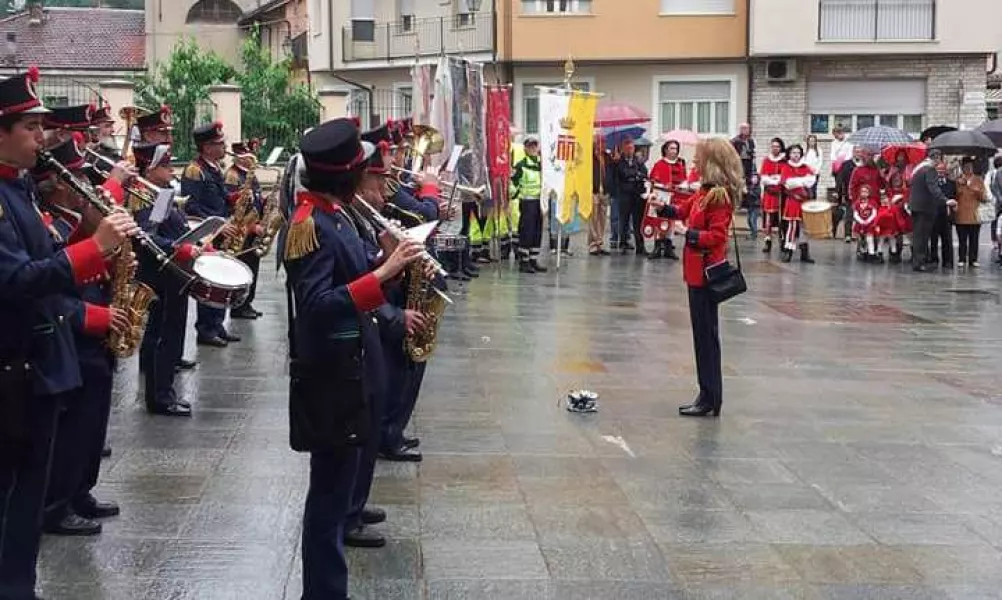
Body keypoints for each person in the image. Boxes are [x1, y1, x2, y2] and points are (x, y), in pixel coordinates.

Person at [0, 67, 137, 600]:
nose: (43, 136)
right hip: (16, 370)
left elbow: (44, 260)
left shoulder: (19, 189)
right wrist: (92, 248)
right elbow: (14, 281)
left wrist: (88, 233)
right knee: (14, 502)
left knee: (26, 504)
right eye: (31, 126)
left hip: (39, 367)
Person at [281, 118, 423, 600]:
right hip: (331, 376)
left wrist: (384, 262)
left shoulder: (335, 214)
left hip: (355, 367)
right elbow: (317, 306)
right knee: (327, 502)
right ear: (342, 175)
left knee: (340, 492)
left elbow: (352, 277)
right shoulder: (307, 225)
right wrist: (381, 271)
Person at [33, 136, 125, 537]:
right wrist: (88, 316)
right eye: (77, 182)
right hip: (73, 330)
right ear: (55, 185)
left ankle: (80, 491)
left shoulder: (68, 216)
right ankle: (57, 503)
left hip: (94, 332)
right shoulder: (48, 220)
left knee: (93, 422)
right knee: (74, 428)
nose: (85, 190)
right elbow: (41, 288)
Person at [658, 137, 742, 418]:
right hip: (695, 274)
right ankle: (706, 394)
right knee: (701, 337)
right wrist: (662, 208)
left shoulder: (718, 196)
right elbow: (682, 210)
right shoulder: (704, 192)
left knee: (707, 338)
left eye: (699, 158)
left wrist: (688, 234)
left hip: (707, 274)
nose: (694, 162)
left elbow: (717, 236)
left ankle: (711, 396)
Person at [135, 142, 201, 417]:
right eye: (163, 165)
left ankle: (163, 392)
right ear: (149, 169)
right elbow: (146, 236)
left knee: (167, 333)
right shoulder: (143, 195)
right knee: (163, 334)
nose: (170, 169)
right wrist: (178, 249)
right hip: (160, 274)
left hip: (170, 273)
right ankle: (160, 396)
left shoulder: (160, 192)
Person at [181, 121, 241, 347]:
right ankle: (205, 329)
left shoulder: (214, 168)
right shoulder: (195, 170)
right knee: (210, 280)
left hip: (222, 229)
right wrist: (218, 225)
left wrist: (235, 200)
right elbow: (192, 206)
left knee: (223, 279)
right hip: (207, 234)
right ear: (206, 147)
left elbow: (220, 195)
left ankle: (217, 324)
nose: (224, 146)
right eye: (219, 143)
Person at [224, 141, 265, 320]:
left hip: (254, 227)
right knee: (243, 266)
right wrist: (250, 226)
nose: (251, 159)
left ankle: (247, 302)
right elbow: (233, 208)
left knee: (252, 266)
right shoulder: (232, 176)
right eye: (248, 155)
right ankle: (239, 306)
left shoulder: (250, 175)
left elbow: (255, 198)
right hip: (243, 229)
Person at [909, 149, 955, 272]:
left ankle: (917, 262)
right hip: (925, 208)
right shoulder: (929, 169)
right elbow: (933, 188)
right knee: (922, 237)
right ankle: (919, 263)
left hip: (916, 206)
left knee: (918, 236)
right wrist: (946, 200)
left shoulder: (919, 169)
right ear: (937, 158)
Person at [511, 136, 547, 273]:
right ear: (525, 148)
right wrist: (513, 194)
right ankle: (524, 261)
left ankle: (533, 259)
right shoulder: (520, 165)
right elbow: (513, 184)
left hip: (540, 202)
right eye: (530, 146)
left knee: (537, 231)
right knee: (527, 231)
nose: (532, 148)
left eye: (534, 146)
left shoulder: (542, 165)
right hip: (527, 202)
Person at [647, 140, 686, 260]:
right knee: (659, 221)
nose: (674, 151)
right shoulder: (659, 164)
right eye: (671, 148)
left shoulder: (680, 165)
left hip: (674, 197)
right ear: (665, 150)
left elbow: (683, 180)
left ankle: (669, 247)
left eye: (675, 149)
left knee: (671, 222)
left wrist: (679, 186)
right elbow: (653, 179)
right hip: (661, 196)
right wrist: (662, 185)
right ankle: (657, 246)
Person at [779, 144, 816, 263]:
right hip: (793, 200)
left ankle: (805, 253)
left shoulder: (805, 167)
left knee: (805, 227)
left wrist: (797, 181)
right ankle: (788, 250)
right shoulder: (786, 167)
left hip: (804, 201)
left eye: (798, 153)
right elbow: (787, 183)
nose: (796, 155)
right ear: (789, 154)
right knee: (792, 226)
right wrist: (802, 181)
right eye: (793, 153)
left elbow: (811, 181)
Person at [613, 137, 648, 255]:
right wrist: (635, 174)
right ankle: (623, 242)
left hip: (637, 195)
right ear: (623, 149)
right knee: (624, 219)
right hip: (624, 194)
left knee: (638, 222)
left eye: (631, 148)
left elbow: (644, 173)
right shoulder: (619, 161)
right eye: (627, 148)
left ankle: (640, 246)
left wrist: (635, 175)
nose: (629, 150)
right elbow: (623, 173)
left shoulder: (638, 160)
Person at [954, 157, 986, 269]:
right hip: (961, 213)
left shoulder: (978, 179)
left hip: (974, 214)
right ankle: (961, 258)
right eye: (966, 167)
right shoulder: (958, 180)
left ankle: (973, 259)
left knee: (974, 238)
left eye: (970, 167)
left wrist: (974, 189)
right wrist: (960, 187)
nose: (968, 169)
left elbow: (984, 197)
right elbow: (955, 196)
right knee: (962, 239)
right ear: (962, 168)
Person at [759, 137, 786, 253]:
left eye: (777, 146)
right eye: (773, 146)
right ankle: (768, 240)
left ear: (781, 148)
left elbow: (785, 176)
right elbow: (764, 177)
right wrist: (773, 180)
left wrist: (776, 179)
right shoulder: (766, 160)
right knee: (768, 218)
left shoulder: (784, 160)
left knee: (781, 218)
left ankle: (782, 240)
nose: (775, 148)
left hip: (781, 193)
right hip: (769, 193)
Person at [930, 161, 957, 269]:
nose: (940, 172)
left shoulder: (951, 183)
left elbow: (954, 197)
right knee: (933, 239)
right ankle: (934, 259)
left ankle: (948, 261)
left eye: (942, 169)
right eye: (938, 170)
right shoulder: (931, 183)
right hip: (934, 214)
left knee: (947, 239)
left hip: (946, 214)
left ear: (945, 171)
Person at [588, 136, 611, 256]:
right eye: (601, 142)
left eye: (604, 142)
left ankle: (600, 242)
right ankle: (593, 244)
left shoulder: (607, 157)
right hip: (594, 190)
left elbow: (612, 170)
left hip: (605, 191)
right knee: (593, 217)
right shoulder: (590, 157)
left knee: (602, 218)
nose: (604, 144)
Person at [853, 185, 880, 262]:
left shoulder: (872, 202)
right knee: (861, 239)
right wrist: (861, 221)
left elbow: (874, 213)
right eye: (862, 191)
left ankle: (871, 254)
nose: (864, 193)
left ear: (869, 193)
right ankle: (863, 252)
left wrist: (868, 220)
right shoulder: (857, 203)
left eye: (866, 192)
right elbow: (855, 213)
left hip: (870, 224)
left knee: (869, 238)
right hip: (860, 224)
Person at [804, 134, 822, 199]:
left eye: (813, 141)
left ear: (815, 142)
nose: (812, 142)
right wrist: (807, 170)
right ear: (808, 142)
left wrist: (815, 170)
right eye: (810, 141)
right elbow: (804, 162)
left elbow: (820, 162)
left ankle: (814, 204)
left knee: (813, 189)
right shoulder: (805, 151)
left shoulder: (819, 150)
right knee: (807, 190)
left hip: (815, 173)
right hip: (806, 173)